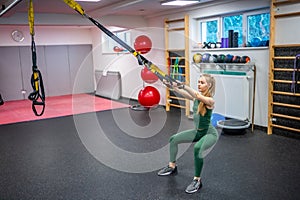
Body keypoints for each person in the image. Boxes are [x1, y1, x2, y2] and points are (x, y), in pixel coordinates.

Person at [158, 73, 219, 194]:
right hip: (197, 132)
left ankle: (197, 180)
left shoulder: (209, 100)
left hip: (209, 133)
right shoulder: (197, 98)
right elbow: (185, 94)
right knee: (173, 139)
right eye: (198, 82)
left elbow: (195, 94)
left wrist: (183, 85)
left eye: (202, 82)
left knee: (197, 148)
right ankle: (172, 166)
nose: (199, 84)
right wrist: (171, 86)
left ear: (209, 85)